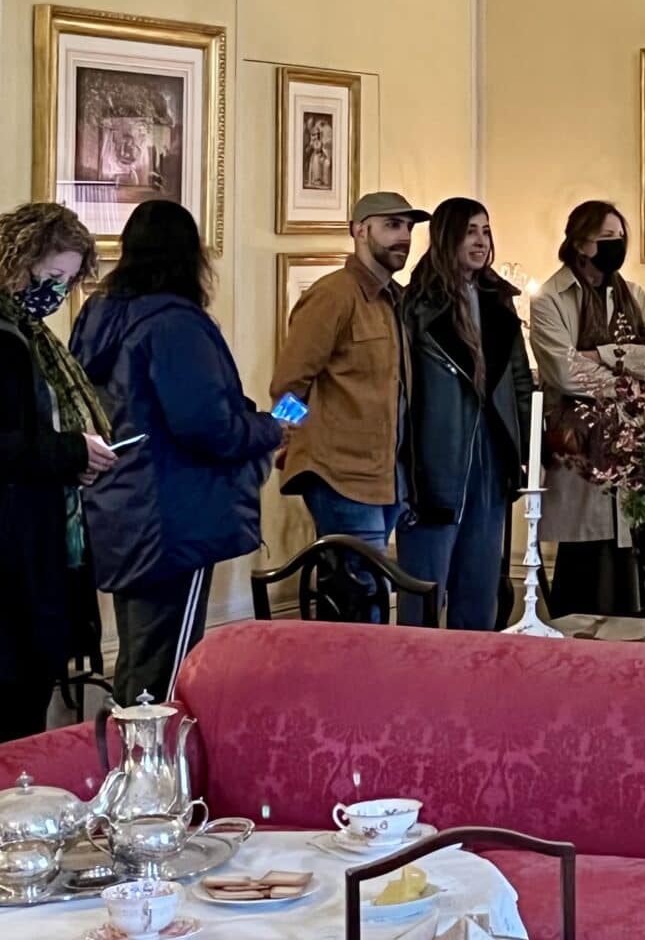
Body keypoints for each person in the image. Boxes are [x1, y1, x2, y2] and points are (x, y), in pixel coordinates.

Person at [73, 201, 283, 705]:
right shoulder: (174, 324)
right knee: (161, 674)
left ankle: (128, 771)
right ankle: (146, 778)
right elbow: (207, 426)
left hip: (119, 506)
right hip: (173, 515)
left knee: (138, 653)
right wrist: (267, 429)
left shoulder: (98, 316)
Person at [0, 203, 116, 739]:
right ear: (18, 260)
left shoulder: (30, 335)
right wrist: (71, 452)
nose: (55, 295)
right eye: (51, 278)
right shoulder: (8, 338)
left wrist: (76, 456)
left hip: (34, 538)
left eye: (66, 283)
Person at [397, 199, 533, 630]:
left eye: (486, 231)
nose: (480, 241)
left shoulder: (498, 301)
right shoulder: (417, 305)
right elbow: (402, 389)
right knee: (425, 585)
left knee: (480, 586)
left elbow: (519, 380)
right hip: (435, 459)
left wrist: (529, 446)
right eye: (470, 231)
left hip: (490, 457)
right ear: (447, 237)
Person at [529, 201, 645, 618]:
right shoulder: (551, 300)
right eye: (606, 239)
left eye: (620, 237)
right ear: (580, 243)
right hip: (578, 447)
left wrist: (604, 353)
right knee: (587, 549)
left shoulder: (632, 294)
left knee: (629, 547)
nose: (617, 246)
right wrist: (631, 378)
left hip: (632, 442)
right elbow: (566, 375)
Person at [272, 192, 428, 561]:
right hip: (339, 474)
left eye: (408, 227)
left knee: (366, 592)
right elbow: (289, 385)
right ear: (359, 230)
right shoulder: (333, 295)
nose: (404, 236)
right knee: (359, 597)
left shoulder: (396, 299)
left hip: (387, 474)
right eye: (391, 225)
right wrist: (293, 440)